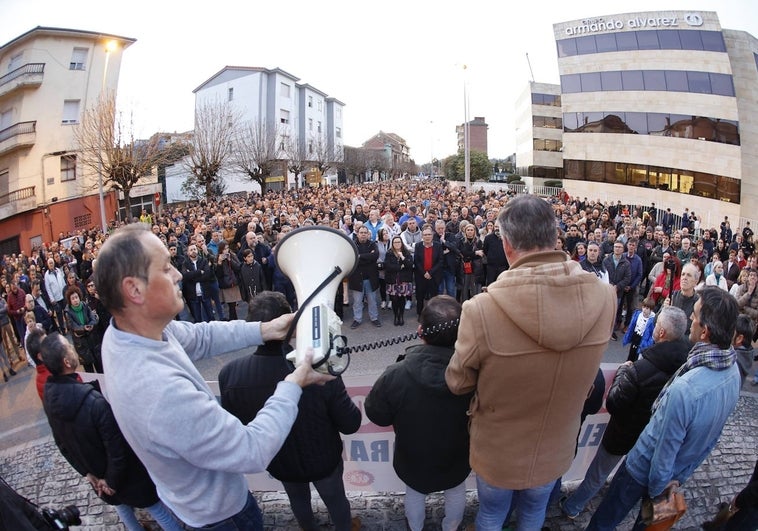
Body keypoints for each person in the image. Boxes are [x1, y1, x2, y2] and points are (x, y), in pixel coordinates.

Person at [93, 223, 333, 530]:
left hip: (199, 503)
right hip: (222, 517)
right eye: (166, 269)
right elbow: (251, 450)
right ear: (134, 289)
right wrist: (294, 383)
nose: (178, 275)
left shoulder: (127, 331)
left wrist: (266, 329)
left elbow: (198, 336)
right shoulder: (158, 391)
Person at [445, 194, 616, 530]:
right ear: (555, 238)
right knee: (533, 514)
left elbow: (458, 382)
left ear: (507, 246)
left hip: (498, 451)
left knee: (492, 515)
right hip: (556, 445)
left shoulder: (481, 310)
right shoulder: (605, 297)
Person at [586, 287, 743, 530]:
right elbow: (711, 439)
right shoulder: (732, 373)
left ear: (705, 332)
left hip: (643, 471)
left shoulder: (687, 390)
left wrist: (659, 491)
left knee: (605, 520)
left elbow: (664, 451)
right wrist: (678, 478)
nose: (690, 317)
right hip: (673, 476)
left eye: (696, 314)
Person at [218, 291, 361, 531]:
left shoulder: (230, 374)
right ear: (291, 324)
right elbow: (350, 423)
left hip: (280, 461)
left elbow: (237, 424)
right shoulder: (318, 368)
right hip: (323, 460)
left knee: (298, 501)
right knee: (336, 501)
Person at [559, 306, 690, 520]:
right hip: (651, 433)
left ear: (662, 333)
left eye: (656, 325)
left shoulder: (641, 369)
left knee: (598, 472)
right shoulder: (685, 361)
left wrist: (623, 372)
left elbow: (614, 403)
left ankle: (573, 507)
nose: (654, 328)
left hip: (623, 433)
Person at [41, 332, 181, 531]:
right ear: (66, 361)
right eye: (70, 347)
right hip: (123, 477)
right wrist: (110, 481)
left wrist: (88, 473)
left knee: (123, 509)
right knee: (156, 509)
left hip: (100, 477)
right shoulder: (93, 402)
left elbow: (62, 444)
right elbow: (117, 447)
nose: (74, 350)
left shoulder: (49, 397)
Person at [366, 295, 472, 531]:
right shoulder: (472, 373)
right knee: (455, 489)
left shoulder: (395, 373)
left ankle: (415, 528)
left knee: (415, 492)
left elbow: (377, 414)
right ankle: (451, 527)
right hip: (456, 454)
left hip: (413, 456)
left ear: (420, 330)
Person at [348, 226, 382, 328]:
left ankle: (374, 318)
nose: (363, 234)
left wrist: (360, 256)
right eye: (361, 232)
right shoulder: (352, 244)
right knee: (357, 301)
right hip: (356, 278)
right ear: (357, 234)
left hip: (370, 278)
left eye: (365, 233)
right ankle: (357, 319)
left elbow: (375, 256)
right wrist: (368, 256)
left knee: (372, 300)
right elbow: (352, 258)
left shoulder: (373, 244)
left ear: (368, 234)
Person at [63, 287, 99, 373]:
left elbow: (92, 317)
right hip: (81, 344)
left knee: (99, 366)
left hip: (92, 340)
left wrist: (90, 325)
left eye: (76, 297)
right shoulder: (68, 312)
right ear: (70, 300)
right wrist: (83, 328)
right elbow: (73, 326)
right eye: (73, 298)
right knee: (89, 370)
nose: (75, 300)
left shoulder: (85, 306)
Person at [604, 240, 631, 340]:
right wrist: (610, 284)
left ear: (623, 249)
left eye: (619, 247)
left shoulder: (626, 263)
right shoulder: (606, 260)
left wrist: (617, 286)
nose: (617, 249)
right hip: (607, 290)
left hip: (618, 293)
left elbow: (627, 278)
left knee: (614, 312)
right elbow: (603, 273)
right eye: (615, 247)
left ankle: (610, 331)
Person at [413, 226, 444, 316]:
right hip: (421, 276)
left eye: (429, 234)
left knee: (434, 297)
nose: (427, 236)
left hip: (433, 276)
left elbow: (440, 261)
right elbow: (417, 261)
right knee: (420, 297)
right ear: (422, 236)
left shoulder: (438, 246)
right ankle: (420, 314)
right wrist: (424, 273)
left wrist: (430, 273)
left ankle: (433, 315)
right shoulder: (418, 246)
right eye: (425, 235)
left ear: (432, 235)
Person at [384, 236, 414, 326]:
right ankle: (396, 316)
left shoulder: (406, 253)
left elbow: (410, 265)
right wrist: (399, 267)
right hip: (392, 280)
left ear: (401, 243)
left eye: (399, 242)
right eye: (395, 242)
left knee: (401, 299)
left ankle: (401, 316)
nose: (397, 244)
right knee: (394, 299)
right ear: (392, 244)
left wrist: (402, 257)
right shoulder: (389, 253)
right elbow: (387, 266)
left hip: (403, 280)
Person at [214, 241, 242, 320]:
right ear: (221, 250)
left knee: (233, 306)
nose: (226, 251)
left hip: (234, 283)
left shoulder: (232, 255)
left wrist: (230, 260)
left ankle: (233, 321)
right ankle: (233, 321)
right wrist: (219, 263)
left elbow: (238, 267)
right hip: (226, 285)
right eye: (224, 249)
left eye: (227, 248)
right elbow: (218, 275)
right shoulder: (217, 258)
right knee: (231, 306)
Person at [622, 297, 656, 362]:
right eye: (643, 307)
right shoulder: (638, 314)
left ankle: (634, 366)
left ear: (651, 310)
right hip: (636, 335)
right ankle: (628, 363)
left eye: (647, 308)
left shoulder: (652, 320)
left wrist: (648, 344)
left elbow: (652, 334)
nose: (644, 310)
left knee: (638, 356)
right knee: (632, 352)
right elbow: (632, 326)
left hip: (643, 339)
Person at [457, 223, 484, 301]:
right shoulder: (462, 241)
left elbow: (480, 254)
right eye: (468, 230)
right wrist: (475, 253)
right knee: (465, 287)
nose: (470, 231)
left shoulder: (478, 241)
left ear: (474, 231)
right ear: (465, 231)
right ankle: (465, 304)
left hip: (475, 267)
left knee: (474, 288)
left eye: (471, 230)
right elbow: (463, 253)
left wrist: (470, 255)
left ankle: (475, 304)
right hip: (464, 266)